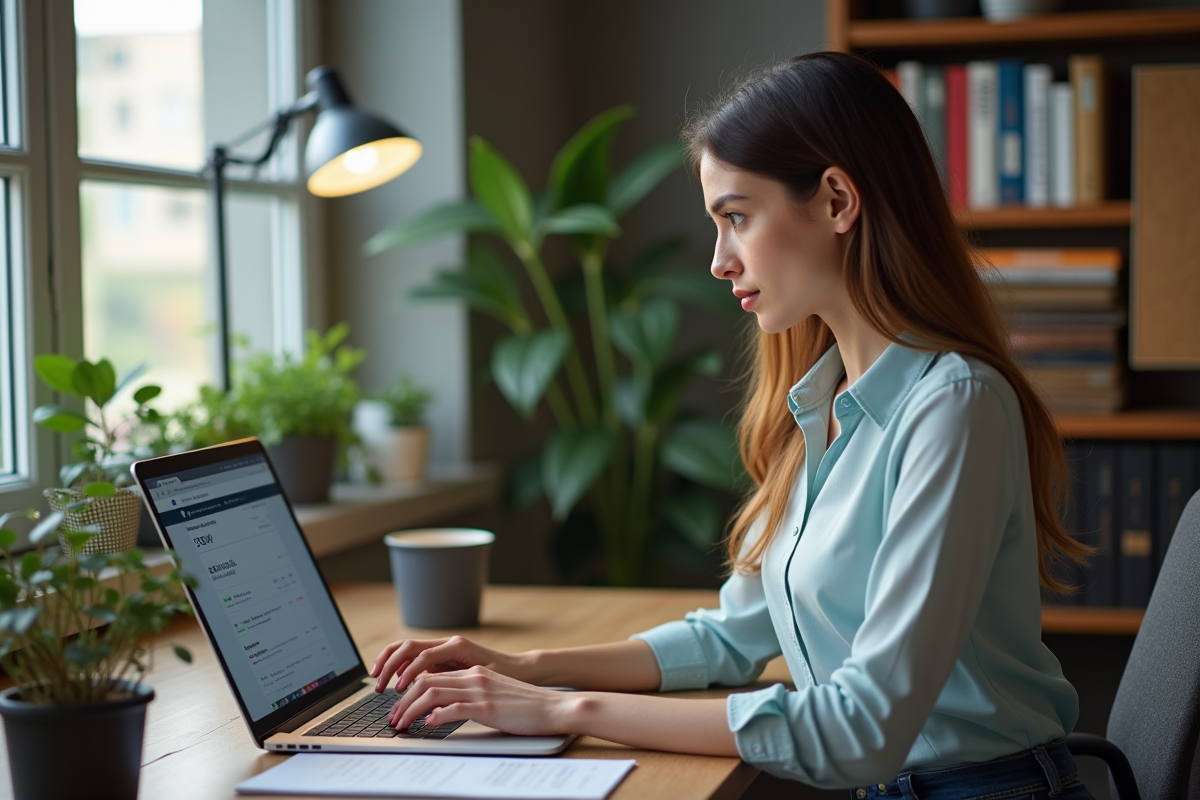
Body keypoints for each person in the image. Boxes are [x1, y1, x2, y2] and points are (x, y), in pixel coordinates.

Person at [369, 52, 1095, 799]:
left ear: (838, 201)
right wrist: (526, 669)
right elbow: (733, 635)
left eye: (737, 218)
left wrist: (563, 710)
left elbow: (861, 732)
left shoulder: (954, 407)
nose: (720, 260)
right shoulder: (819, 408)